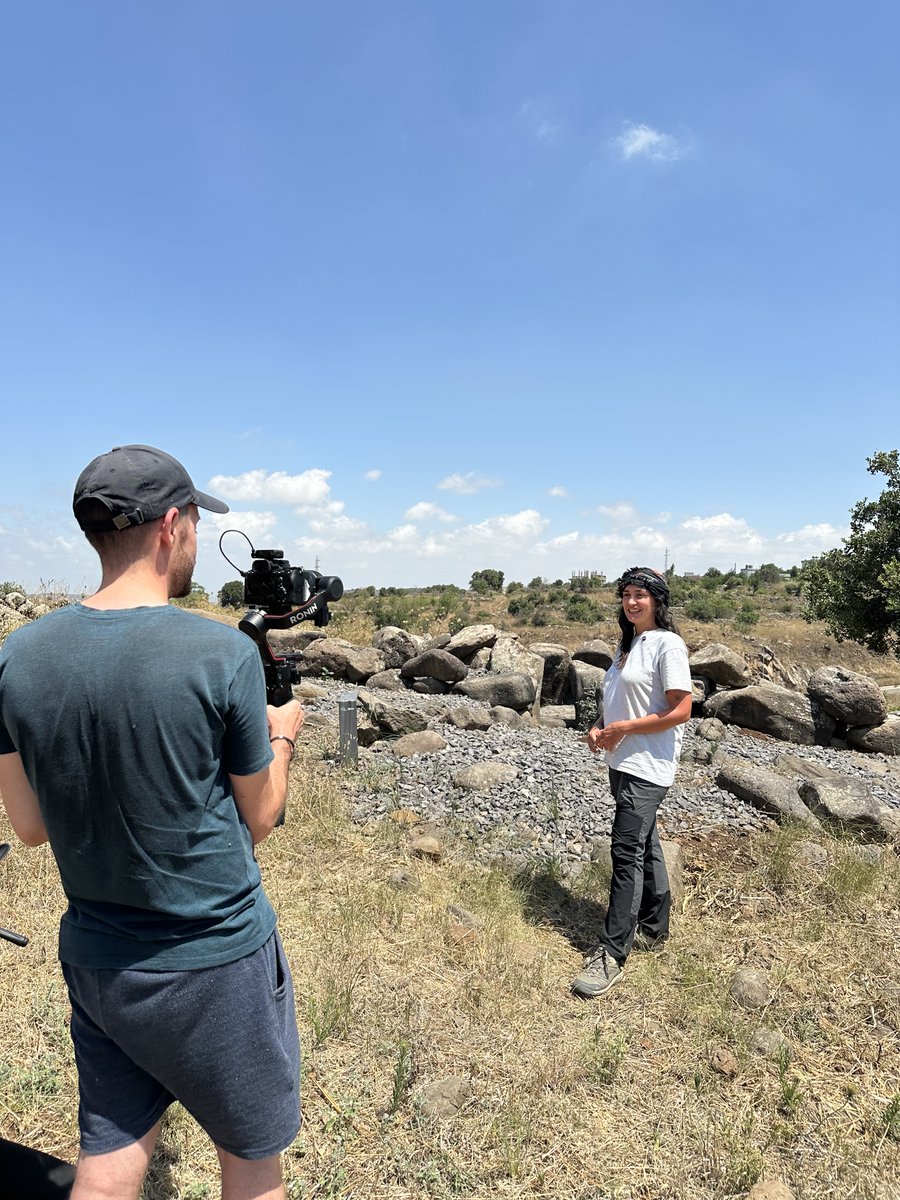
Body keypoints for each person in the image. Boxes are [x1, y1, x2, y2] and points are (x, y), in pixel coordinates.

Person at [0, 445, 305, 1200]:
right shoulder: (222, 653)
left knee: (108, 1162)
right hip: (214, 961)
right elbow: (260, 815)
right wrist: (286, 732)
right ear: (172, 525)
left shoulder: (18, 657)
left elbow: (30, 826)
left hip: (99, 960)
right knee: (250, 1163)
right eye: (196, 520)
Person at [571, 566, 692, 999]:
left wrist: (623, 728)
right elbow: (620, 701)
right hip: (621, 760)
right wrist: (601, 724)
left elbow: (681, 711)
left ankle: (611, 952)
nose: (632, 601)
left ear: (657, 600)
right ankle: (654, 928)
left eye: (641, 594)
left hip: (649, 764)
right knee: (644, 843)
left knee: (625, 851)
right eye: (626, 594)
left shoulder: (668, 644)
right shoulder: (626, 645)